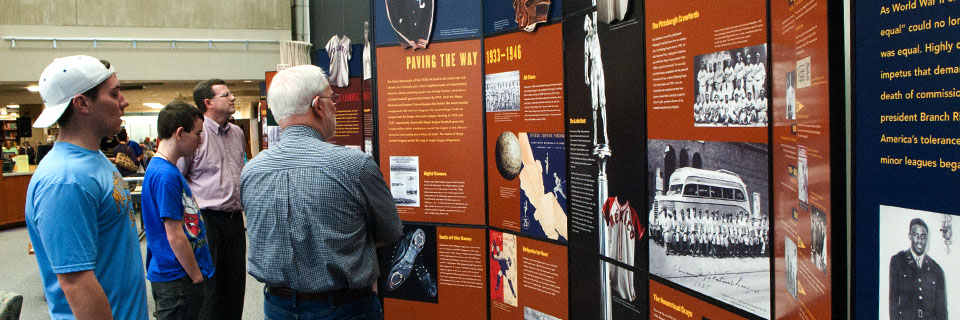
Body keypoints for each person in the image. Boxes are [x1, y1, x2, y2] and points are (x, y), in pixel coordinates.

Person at [241, 65, 402, 319]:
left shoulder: (252, 170)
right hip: (345, 308)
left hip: (276, 305)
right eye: (332, 98)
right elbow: (390, 231)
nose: (335, 106)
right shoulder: (354, 166)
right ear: (318, 106)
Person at [25, 55, 148, 319]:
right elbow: (76, 282)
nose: (124, 102)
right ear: (82, 103)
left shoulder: (94, 158)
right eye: (114, 94)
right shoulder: (65, 180)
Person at [179, 79, 247, 319]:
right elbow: (180, 180)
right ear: (208, 103)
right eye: (225, 94)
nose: (232, 98)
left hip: (235, 221)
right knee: (210, 291)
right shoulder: (195, 135)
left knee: (234, 288)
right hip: (206, 221)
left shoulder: (237, 133)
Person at [142, 101, 215, 320]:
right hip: (178, 278)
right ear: (180, 133)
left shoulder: (166, 170)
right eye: (198, 134)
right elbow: (174, 235)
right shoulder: (166, 175)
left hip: (177, 276)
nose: (200, 141)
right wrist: (195, 275)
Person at [889, 218, 946, 320]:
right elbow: (893, 303)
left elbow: (941, 311)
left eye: (923, 236)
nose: (919, 240)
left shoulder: (936, 270)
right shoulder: (898, 261)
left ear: (927, 239)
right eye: (916, 235)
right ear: (910, 236)